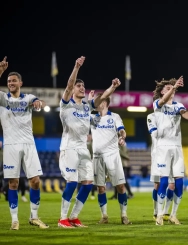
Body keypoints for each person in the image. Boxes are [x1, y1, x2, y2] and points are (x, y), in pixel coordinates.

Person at [58, 56, 120, 228]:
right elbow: (69, 85)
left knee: (87, 184)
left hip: (83, 149)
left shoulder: (87, 106)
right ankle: (62, 219)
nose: (82, 88)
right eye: (79, 86)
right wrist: (76, 66)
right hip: (69, 148)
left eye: (83, 86)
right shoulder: (66, 104)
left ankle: (74, 217)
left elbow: (101, 99)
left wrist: (112, 87)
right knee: (72, 182)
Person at [0, 56, 48, 230]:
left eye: (14, 80)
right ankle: (14, 220)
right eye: (8, 81)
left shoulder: (27, 98)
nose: (11, 83)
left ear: (20, 82)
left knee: (35, 181)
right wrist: (1, 70)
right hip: (11, 145)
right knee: (13, 183)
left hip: (28, 144)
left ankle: (34, 217)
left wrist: (38, 104)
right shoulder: (2, 99)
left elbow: (39, 102)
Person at [152, 76, 188, 226]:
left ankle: (173, 215)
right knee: (163, 182)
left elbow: (183, 112)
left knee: (179, 183)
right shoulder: (157, 104)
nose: (171, 90)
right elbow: (164, 100)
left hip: (177, 147)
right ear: (162, 91)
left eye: (173, 88)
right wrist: (175, 87)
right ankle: (159, 215)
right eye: (168, 88)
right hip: (163, 147)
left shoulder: (178, 105)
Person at [89, 92, 131, 225]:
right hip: (97, 156)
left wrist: (122, 137)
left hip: (112, 155)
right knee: (100, 188)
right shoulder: (92, 117)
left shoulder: (115, 117)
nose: (97, 103)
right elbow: (84, 110)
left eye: (99, 101)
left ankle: (124, 215)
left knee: (120, 186)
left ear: (105, 103)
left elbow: (122, 130)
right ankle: (104, 216)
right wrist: (89, 100)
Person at [147, 112, 175, 222]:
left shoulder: (171, 115)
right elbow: (154, 134)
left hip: (171, 153)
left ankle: (166, 212)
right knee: (157, 184)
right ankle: (156, 211)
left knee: (172, 184)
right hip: (158, 154)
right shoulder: (151, 117)